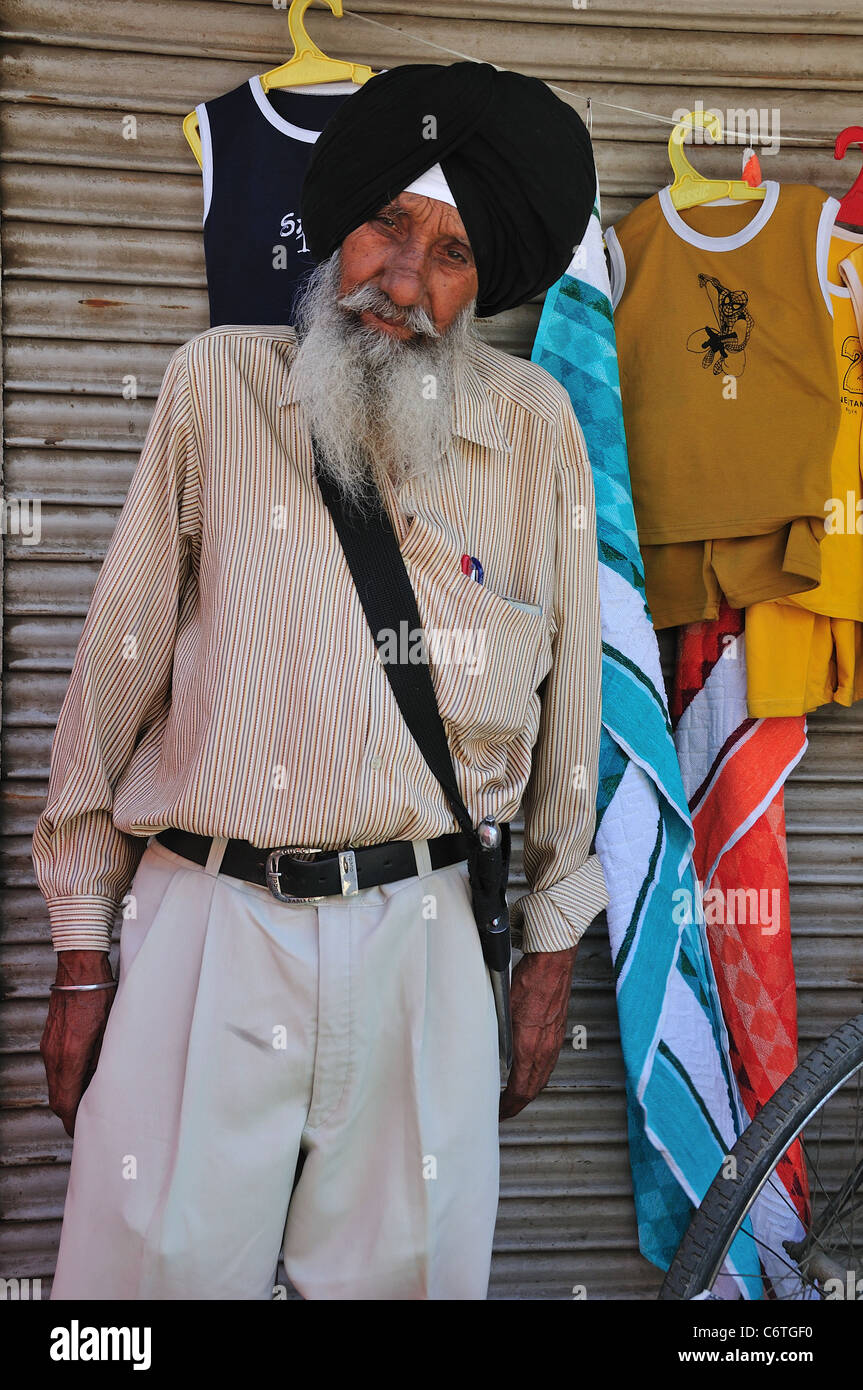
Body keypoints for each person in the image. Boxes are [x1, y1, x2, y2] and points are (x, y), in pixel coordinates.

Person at [33, 61, 609, 1301]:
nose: (403, 280)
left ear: (479, 285)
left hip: (425, 941)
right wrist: (83, 950)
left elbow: (571, 720)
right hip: (206, 927)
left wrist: (548, 948)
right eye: (387, 226)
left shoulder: (537, 433)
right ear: (336, 226)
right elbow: (115, 665)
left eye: (450, 253)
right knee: (137, 1297)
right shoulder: (215, 388)